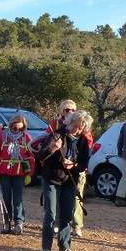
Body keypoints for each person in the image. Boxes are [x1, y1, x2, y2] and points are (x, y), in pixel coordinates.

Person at [37, 110, 93, 251]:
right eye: (75, 126)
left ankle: (65, 247)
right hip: (52, 179)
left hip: (70, 181)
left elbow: (83, 164)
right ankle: (46, 249)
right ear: (70, 123)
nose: (77, 130)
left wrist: (73, 165)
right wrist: (53, 149)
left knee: (67, 215)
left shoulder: (82, 141)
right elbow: (40, 156)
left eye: (81, 128)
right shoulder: (57, 135)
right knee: (51, 214)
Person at [46, 100, 92, 237]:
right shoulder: (55, 125)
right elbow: (46, 140)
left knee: (76, 199)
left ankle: (77, 225)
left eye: (73, 109)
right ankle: (57, 224)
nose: (70, 112)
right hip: (57, 171)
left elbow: (87, 148)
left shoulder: (82, 125)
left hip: (76, 170)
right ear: (61, 111)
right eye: (67, 110)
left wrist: (76, 165)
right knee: (58, 200)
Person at [0, 114, 33, 234]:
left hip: (19, 172)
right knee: (5, 198)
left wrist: (30, 174)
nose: (17, 131)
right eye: (15, 128)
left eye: (20, 129)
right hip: (4, 171)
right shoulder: (2, 136)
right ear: (11, 125)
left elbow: (31, 157)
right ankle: (7, 222)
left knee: (18, 199)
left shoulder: (26, 138)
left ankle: (19, 222)